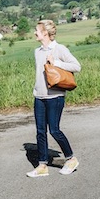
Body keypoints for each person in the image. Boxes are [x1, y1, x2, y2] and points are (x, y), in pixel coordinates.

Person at [27, 19, 82, 178]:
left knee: (55, 130)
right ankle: (42, 165)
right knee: (40, 131)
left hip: (55, 97)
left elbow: (76, 66)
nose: (35, 33)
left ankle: (71, 159)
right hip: (39, 96)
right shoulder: (37, 52)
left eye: (37, 30)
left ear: (45, 32)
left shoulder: (60, 49)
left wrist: (56, 62)